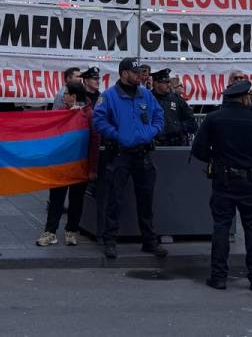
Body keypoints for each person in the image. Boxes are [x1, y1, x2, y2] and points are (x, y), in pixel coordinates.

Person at [191, 79, 252, 291]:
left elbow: (198, 149)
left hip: (222, 180)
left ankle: (219, 276)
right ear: (243, 98)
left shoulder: (213, 119)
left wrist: (215, 159)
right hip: (250, 181)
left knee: (221, 227)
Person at [92, 58, 165, 259]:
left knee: (146, 200)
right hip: (120, 154)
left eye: (141, 72)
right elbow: (98, 121)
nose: (140, 76)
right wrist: (117, 135)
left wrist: (151, 131)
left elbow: (159, 116)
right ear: (124, 73)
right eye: (135, 72)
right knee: (114, 199)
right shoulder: (109, 96)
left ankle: (149, 241)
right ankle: (110, 241)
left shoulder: (146, 95)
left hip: (143, 154)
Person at [37, 82, 93, 247]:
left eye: (66, 93)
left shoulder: (88, 114)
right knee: (56, 199)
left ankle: (71, 231)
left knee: (76, 200)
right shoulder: (61, 112)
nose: (64, 96)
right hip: (60, 165)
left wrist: (93, 168)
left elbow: (94, 142)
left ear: (74, 96)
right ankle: (50, 232)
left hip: (79, 165)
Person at [153, 69, 196, 146]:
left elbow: (191, 120)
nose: (168, 85)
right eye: (165, 82)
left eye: (169, 82)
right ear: (156, 83)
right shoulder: (148, 98)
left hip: (177, 144)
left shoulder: (177, 99)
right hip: (156, 145)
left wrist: (178, 127)